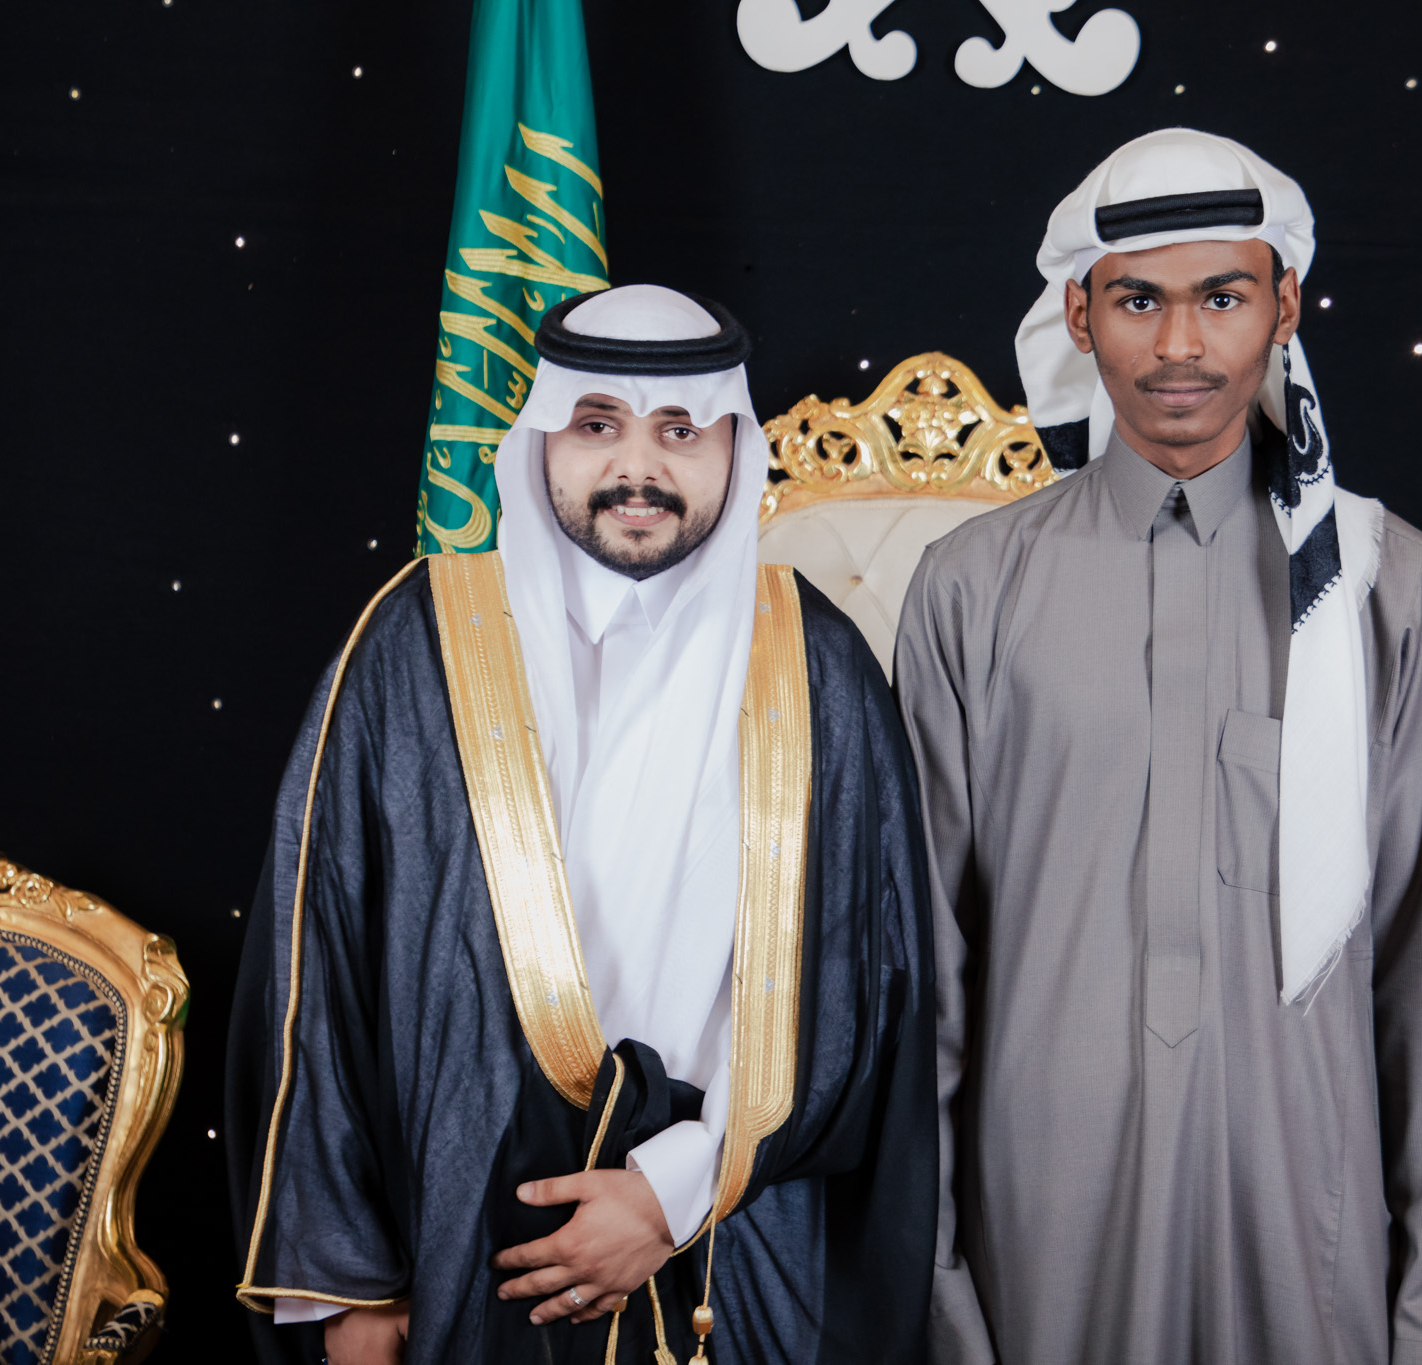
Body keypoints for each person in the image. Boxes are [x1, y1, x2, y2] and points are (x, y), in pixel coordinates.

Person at [227, 284, 938, 1365]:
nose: (636, 468)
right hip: (464, 1227)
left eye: (680, 432)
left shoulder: (816, 662)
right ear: (542, 438)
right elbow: (316, 970)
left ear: (733, 448)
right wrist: (349, 1285)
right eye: (597, 425)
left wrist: (669, 1193)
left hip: (735, 1239)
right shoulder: (416, 641)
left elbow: (866, 986)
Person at [896, 129, 1422, 1364]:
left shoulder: (1383, 580)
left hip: (1303, 1216)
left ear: (1285, 305)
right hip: (1038, 1226)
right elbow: (925, 978)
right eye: (1137, 301)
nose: (1179, 345)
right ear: (1077, 315)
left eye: (1221, 298)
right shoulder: (970, 585)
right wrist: (941, 1299)